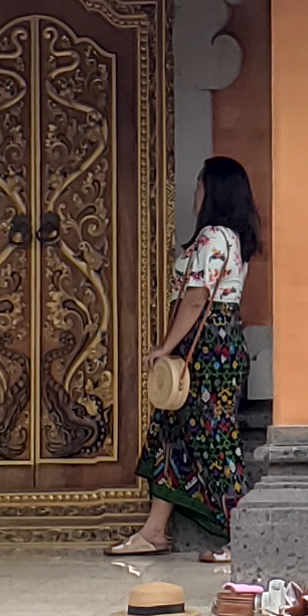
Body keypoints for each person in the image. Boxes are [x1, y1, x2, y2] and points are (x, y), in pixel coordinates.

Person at [113, 155, 259, 562]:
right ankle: (154, 529)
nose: (194, 194)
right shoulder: (233, 238)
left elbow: (196, 300)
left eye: (199, 186)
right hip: (220, 343)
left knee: (214, 438)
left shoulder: (214, 236)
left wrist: (165, 347)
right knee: (171, 431)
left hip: (207, 348)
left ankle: (242, 531)